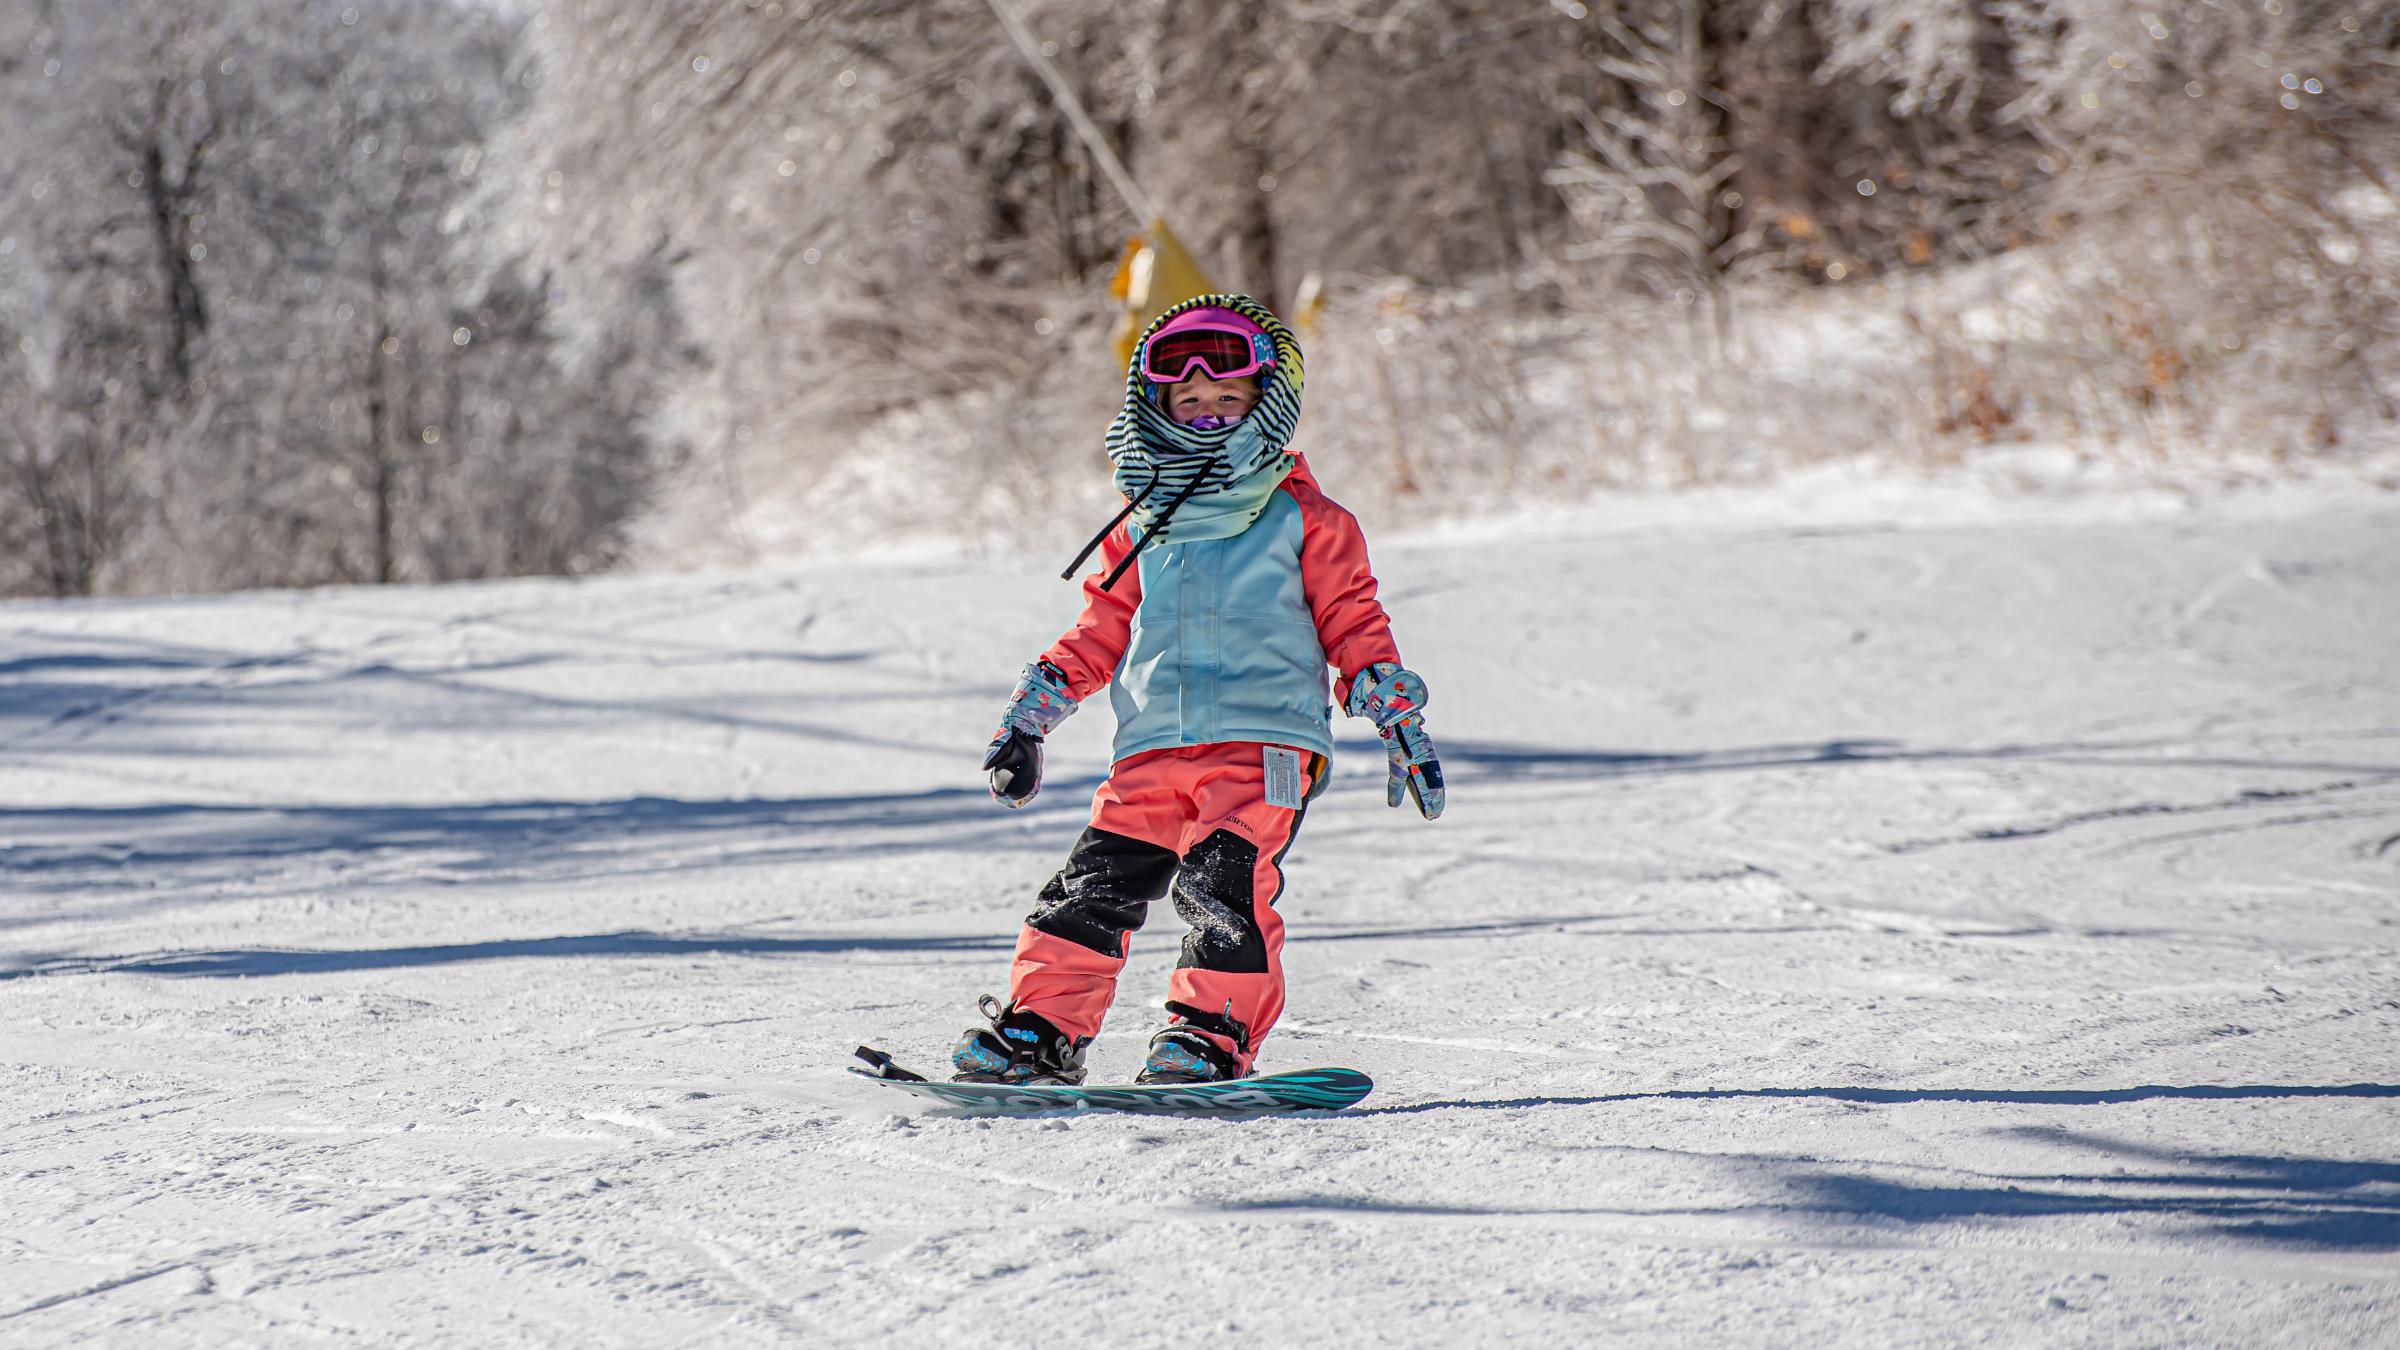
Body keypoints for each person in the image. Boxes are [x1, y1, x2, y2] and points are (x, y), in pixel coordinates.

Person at [954, 293, 1445, 1086]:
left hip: (1266, 743)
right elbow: (1101, 628)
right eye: (1188, 401)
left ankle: (1208, 1036)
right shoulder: (1141, 520)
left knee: (1224, 887)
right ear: (1157, 408)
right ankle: (1041, 1032)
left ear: (1267, 402)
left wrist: (1397, 719)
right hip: (1151, 746)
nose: (1209, 415)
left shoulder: (1305, 517)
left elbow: (1353, 619)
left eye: (1228, 399)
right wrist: (1030, 719)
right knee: (1089, 890)